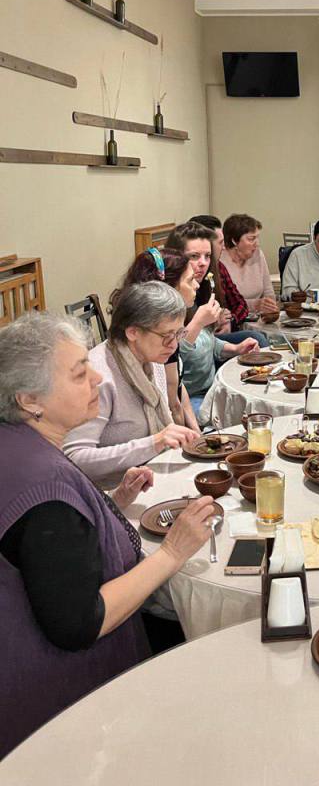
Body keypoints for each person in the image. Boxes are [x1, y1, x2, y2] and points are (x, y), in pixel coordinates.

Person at [0, 311, 215, 759]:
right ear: (29, 399)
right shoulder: (44, 491)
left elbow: (53, 553)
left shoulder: (17, 445)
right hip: (64, 704)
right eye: (80, 373)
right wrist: (173, 552)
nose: (97, 378)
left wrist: (112, 500)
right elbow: (82, 622)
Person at [63, 283, 201, 483]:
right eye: (166, 336)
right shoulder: (99, 378)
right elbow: (74, 459)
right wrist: (153, 443)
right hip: (112, 491)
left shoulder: (153, 358)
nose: (173, 344)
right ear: (133, 332)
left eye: (178, 334)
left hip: (152, 476)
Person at [110, 247, 202, 432]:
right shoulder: (153, 346)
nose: (197, 285)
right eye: (190, 280)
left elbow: (178, 387)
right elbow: (173, 405)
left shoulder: (161, 342)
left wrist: (196, 434)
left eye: (177, 335)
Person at [166, 221, 268, 350]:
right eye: (194, 256)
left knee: (257, 339)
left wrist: (234, 346)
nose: (203, 263)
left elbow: (209, 339)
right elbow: (175, 352)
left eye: (207, 256)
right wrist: (200, 322)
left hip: (210, 345)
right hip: (190, 355)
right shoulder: (168, 295)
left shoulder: (210, 276)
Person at [189, 214, 264, 328]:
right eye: (220, 242)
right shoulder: (184, 275)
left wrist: (230, 320)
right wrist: (213, 321)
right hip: (200, 335)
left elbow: (240, 304)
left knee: (256, 336)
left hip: (218, 333)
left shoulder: (219, 267)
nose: (224, 247)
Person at [217, 213, 279, 318]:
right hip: (233, 319)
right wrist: (254, 305)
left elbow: (268, 292)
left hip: (260, 318)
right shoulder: (220, 262)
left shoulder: (258, 254)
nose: (257, 244)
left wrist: (270, 306)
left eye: (257, 238)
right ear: (234, 240)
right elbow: (223, 304)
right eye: (251, 239)